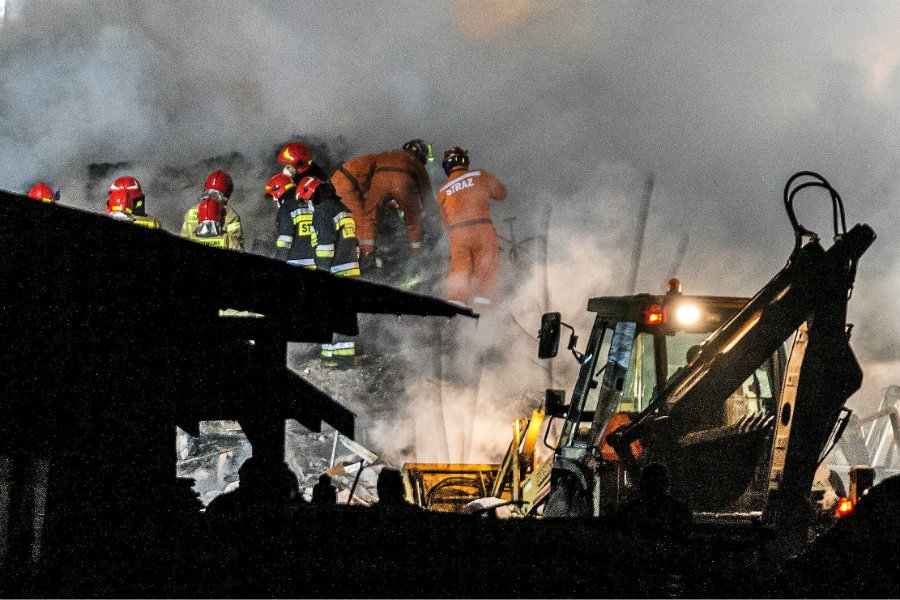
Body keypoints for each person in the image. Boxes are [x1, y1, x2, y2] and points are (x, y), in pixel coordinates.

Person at [436, 147, 507, 309]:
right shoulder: (479, 175)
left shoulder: (443, 190)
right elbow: (502, 193)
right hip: (481, 228)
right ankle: (483, 308)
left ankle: (455, 309)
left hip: (457, 234)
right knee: (486, 265)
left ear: (446, 166)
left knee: (459, 271)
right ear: (464, 161)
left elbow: (445, 221)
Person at [300, 176, 360, 359]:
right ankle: (342, 356)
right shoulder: (342, 209)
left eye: (307, 200)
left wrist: (321, 271)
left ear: (313, 195)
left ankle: (331, 357)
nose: (307, 205)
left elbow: (326, 245)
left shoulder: (322, 211)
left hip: (333, 271)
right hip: (350, 269)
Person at [352, 139, 432, 271]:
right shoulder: (416, 163)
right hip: (402, 184)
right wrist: (431, 214)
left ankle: (367, 254)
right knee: (413, 219)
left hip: (379, 183)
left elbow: (367, 174)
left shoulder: (385, 155)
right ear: (421, 154)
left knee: (369, 217)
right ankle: (417, 256)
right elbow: (426, 192)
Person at [180, 170, 244, 249]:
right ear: (228, 192)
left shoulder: (190, 212)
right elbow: (237, 244)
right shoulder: (230, 215)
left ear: (206, 187)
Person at [265, 173, 316, 268]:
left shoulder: (286, 209)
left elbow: (285, 240)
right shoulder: (311, 203)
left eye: (273, 195)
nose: (273, 199)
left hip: (296, 261)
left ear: (279, 191)